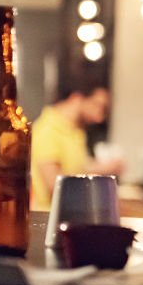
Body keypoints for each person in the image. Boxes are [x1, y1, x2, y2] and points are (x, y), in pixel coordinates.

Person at [30, 80, 123, 211]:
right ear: (77, 98)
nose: (100, 117)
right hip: (50, 218)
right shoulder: (48, 129)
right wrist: (101, 170)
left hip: (71, 215)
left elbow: (78, 167)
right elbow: (54, 183)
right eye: (97, 105)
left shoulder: (75, 131)